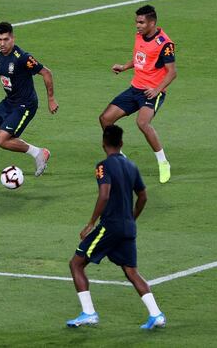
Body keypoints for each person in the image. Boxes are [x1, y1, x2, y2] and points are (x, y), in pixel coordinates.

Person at [67, 125, 166, 330]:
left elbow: (104, 194)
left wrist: (91, 223)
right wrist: (131, 218)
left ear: (103, 144)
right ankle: (156, 314)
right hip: (128, 227)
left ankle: (88, 313)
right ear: (121, 144)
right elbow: (143, 196)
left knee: (76, 264)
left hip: (110, 226)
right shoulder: (131, 165)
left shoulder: (103, 166)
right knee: (131, 271)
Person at [99, 4, 175, 184]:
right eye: (136, 22)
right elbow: (140, 57)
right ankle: (121, 160)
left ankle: (163, 162)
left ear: (152, 22)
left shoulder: (164, 44)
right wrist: (124, 67)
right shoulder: (139, 36)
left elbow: (172, 72)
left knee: (142, 122)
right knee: (105, 119)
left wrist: (157, 90)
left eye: (141, 22)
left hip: (152, 92)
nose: (137, 25)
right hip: (135, 89)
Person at [0, 22, 57, 177]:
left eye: (6, 39)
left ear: (13, 38)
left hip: (26, 104)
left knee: (1, 140)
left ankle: (39, 153)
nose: (2, 43)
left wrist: (50, 99)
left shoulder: (23, 58)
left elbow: (46, 73)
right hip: (9, 102)